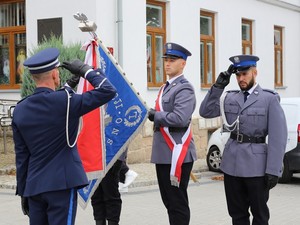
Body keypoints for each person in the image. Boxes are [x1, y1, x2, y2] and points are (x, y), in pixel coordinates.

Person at [12, 47, 117, 225]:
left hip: (34, 187)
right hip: (61, 185)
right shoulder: (67, 102)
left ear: (33, 77)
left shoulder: (20, 109)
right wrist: (86, 71)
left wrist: (23, 191)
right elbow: (108, 90)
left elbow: (22, 157)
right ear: (54, 75)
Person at [199, 54, 287, 225]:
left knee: (260, 215)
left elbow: (278, 137)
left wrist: (273, 170)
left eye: (245, 74)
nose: (241, 78)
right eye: (238, 75)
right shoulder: (230, 97)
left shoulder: (269, 99)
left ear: (255, 72)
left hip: (257, 168)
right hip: (232, 166)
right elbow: (205, 111)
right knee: (237, 215)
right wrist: (218, 86)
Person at [148, 42, 197, 225]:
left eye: (172, 60)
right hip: (164, 154)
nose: (167, 64)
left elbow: (180, 118)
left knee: (177, 203)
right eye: (166, 60)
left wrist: (156, 115)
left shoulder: (184, 88)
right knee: (169, 201)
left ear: (183, 63)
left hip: (177, 153)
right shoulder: (165, 87)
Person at [91, 160, 122, 225]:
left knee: (111, 199)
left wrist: (119, 160)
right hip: (93, 161)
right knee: (96, 198)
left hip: (109, 160)